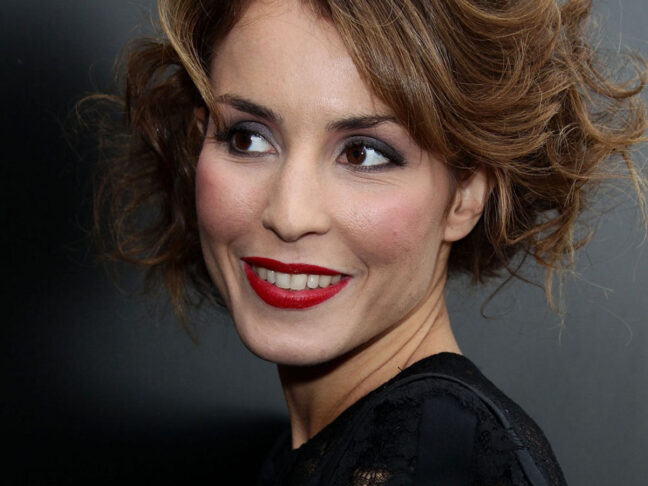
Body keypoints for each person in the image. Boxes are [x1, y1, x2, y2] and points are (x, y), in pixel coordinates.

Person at [91, 0, 646, 484]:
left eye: (362, 153)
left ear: (466, 194)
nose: (289, 215)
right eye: (247, 138)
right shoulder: (354, 447)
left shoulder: (433, 457)